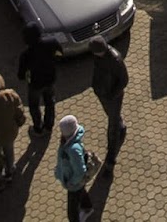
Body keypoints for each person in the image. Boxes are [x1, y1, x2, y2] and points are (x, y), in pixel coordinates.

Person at [88, 36, 128, 171]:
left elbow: (124, 80)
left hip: (113, 97)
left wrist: (112, 94)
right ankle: (121, 127)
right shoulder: (98, 57)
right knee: (113, 118)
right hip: (103, 94)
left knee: (112, 125)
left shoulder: (115, 59)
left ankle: (111, 158)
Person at [17, 22, 60, 138]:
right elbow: (60, 54)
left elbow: (20, 75)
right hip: (50, 80)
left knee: (34, 106)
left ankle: (38, 127)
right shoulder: (52, 43)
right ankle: (49, 126)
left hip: (35, 85)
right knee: (50, 103)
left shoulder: (26, 54)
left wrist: (25, 76)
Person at [53, 115, 94, 222]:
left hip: (73, 183)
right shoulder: (66, 143)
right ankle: (87, 207)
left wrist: (71, 182)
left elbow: (80, 171)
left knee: (72, 211)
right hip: (74, 182)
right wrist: (58, 171)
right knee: (81, 192)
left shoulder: (73, 150)